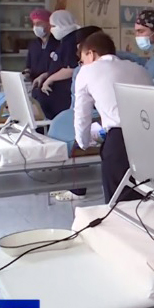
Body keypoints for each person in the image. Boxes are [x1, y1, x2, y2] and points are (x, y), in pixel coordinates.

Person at [74, 32, 154, 203]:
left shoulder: (87, 71)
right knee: (146, 200)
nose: (82, 64)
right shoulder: (139, 68)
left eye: (82, 60)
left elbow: (82, 115)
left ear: (91, 54)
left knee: (119, 203)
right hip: (150, 138)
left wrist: (83, 143)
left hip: (120, 141)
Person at [48, 24, 108, 201]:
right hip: (83, 113)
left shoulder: (110, 67)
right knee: (63, 129)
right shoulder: (80, 70)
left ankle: (77, 189)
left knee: (78, 136)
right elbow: (77, 102)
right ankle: (69, 181)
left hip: (100, 118)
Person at [25, 8, 60, 112]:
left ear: (49, 24)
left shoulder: (58, 43)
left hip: (54, 90)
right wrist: (26, 73)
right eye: (34, 24)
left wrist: (46, 75)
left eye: (39, 23)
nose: (36, 27)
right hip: (36, 89)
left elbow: (62, 66)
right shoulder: (33, 45)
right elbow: (29, 65)